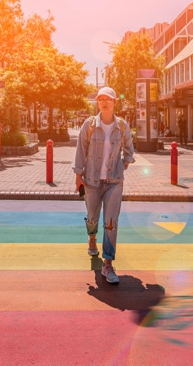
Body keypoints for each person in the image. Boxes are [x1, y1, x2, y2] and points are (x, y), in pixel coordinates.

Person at [73, 86, 135, 285]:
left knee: (111, 222)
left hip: (114, 182)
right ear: (97, 103)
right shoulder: (89, 125)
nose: (104, 102)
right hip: (91, 180)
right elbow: (80, 150)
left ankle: (108, 264)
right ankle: (92, 239)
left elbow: (129, 147)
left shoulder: (123, 126)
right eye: (101, 99)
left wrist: (126, 161)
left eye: (108, 99)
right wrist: (78, 175)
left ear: (115, 102)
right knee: (92, 217)